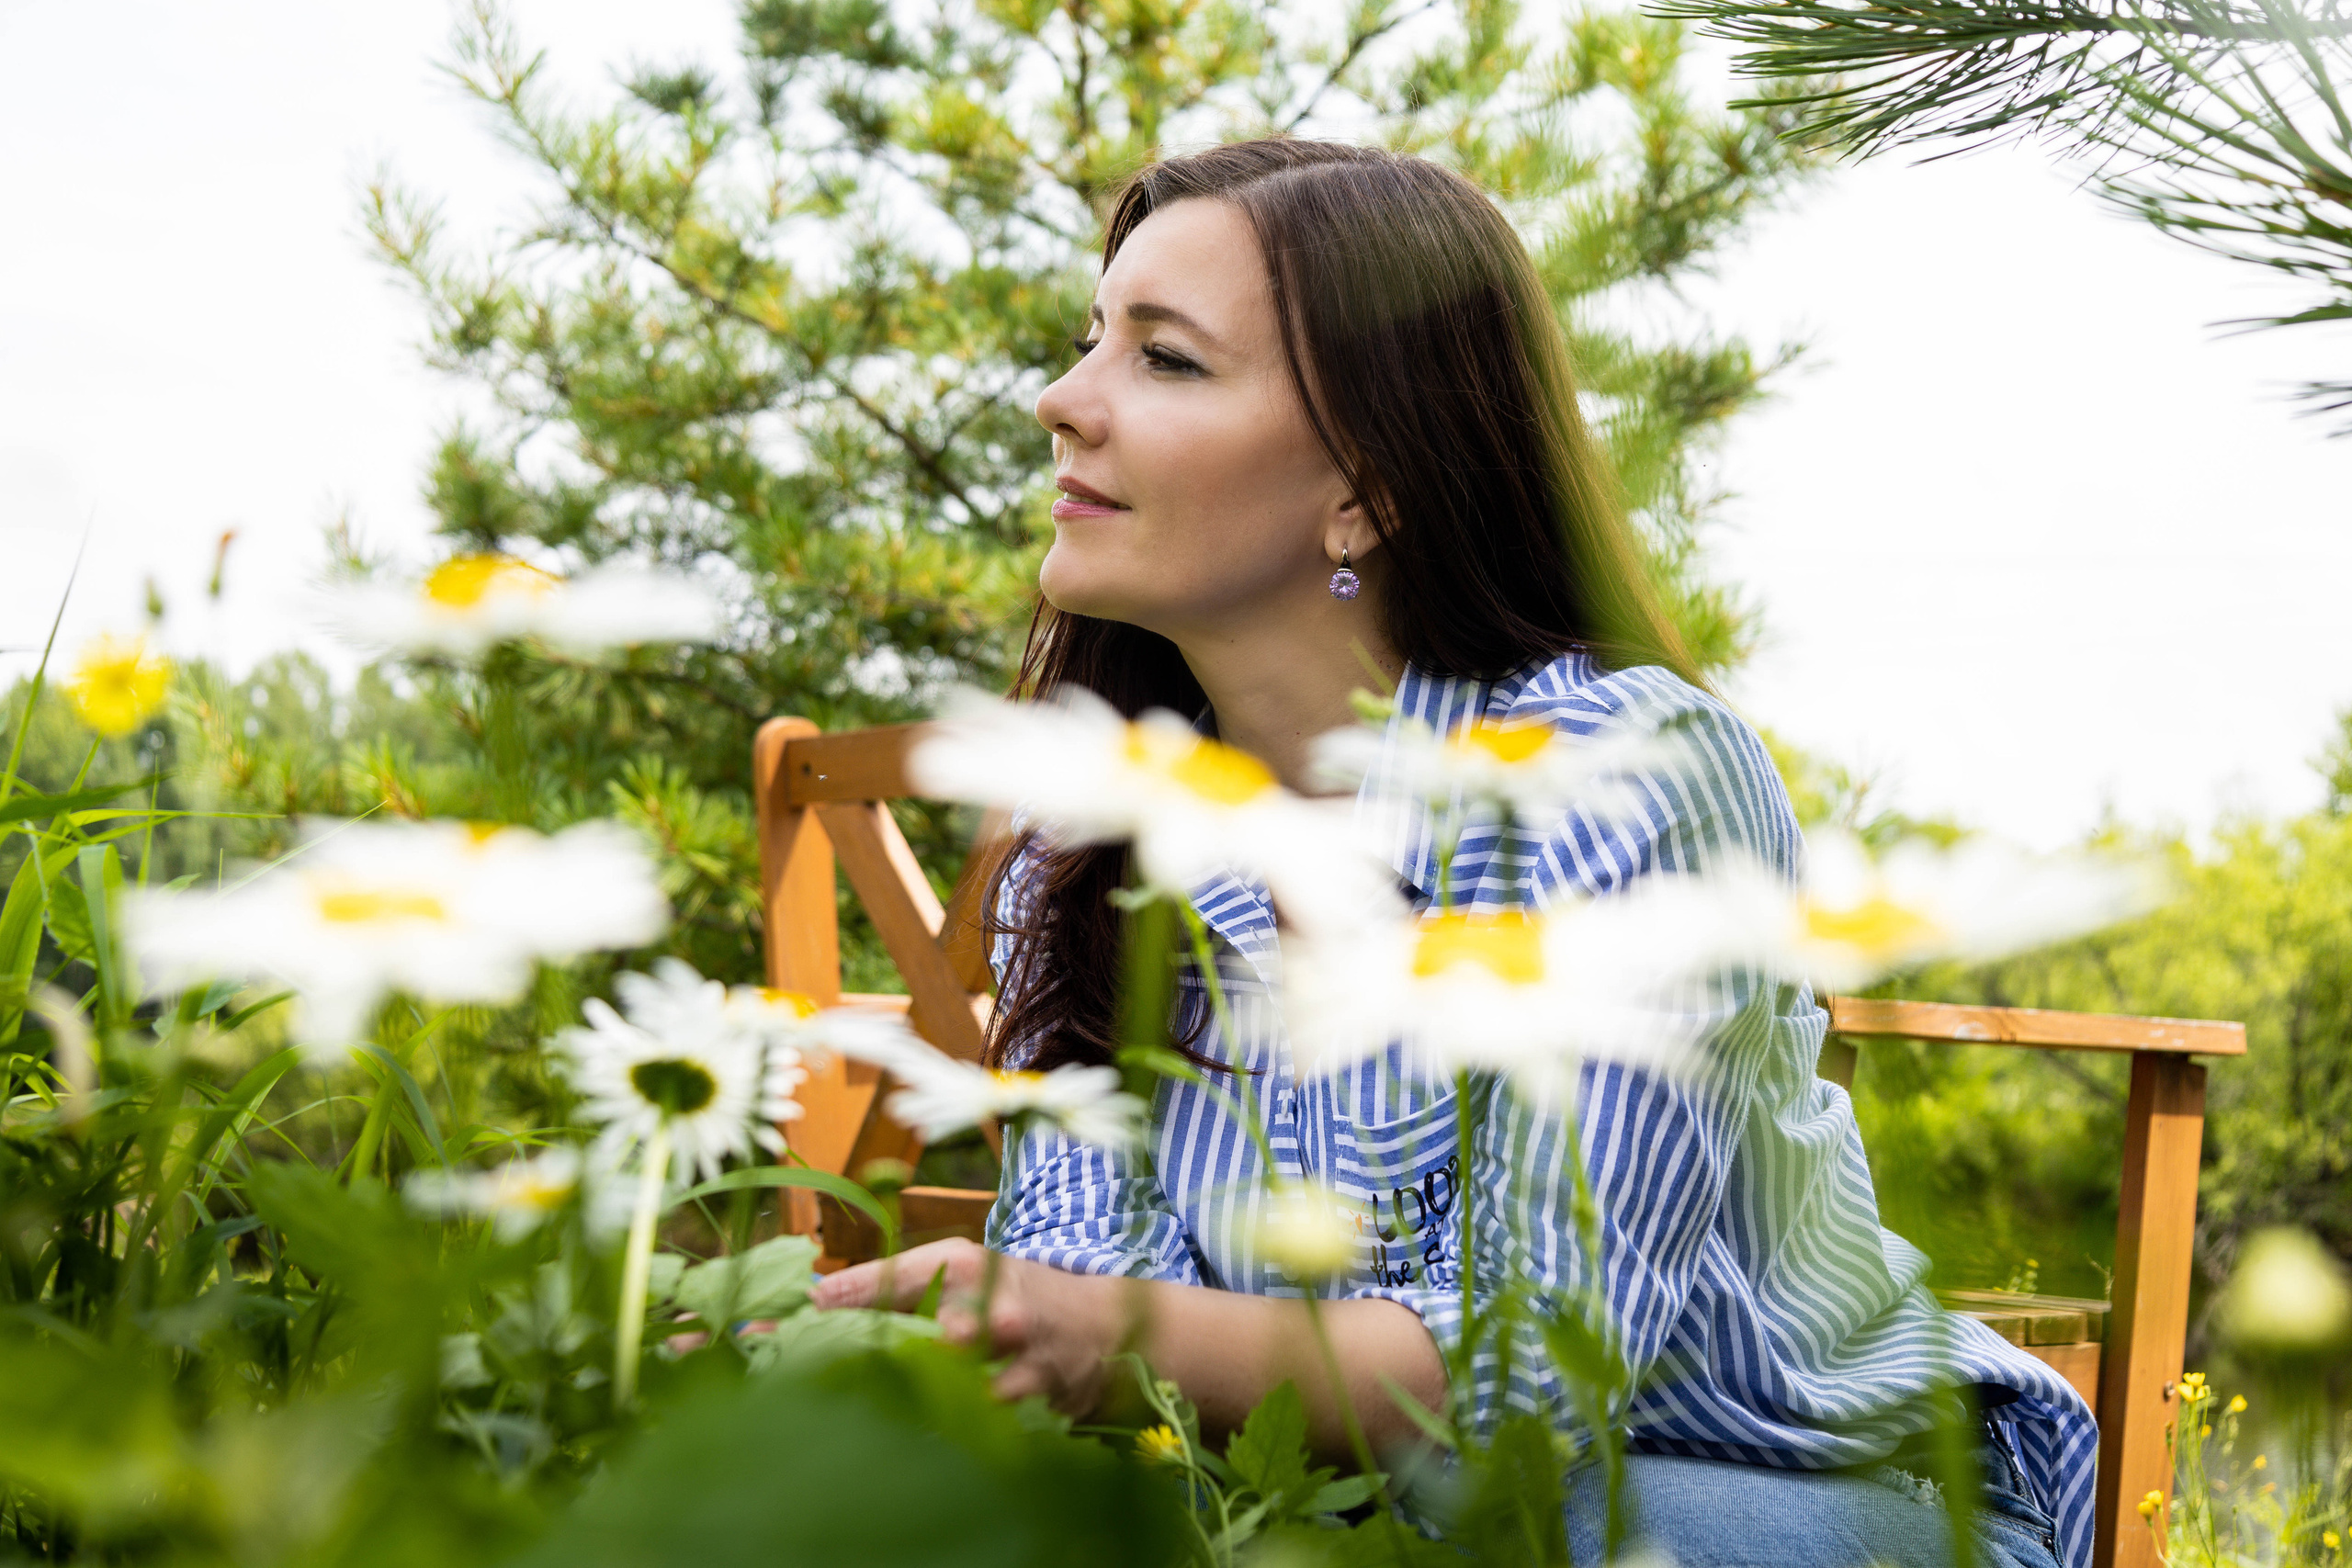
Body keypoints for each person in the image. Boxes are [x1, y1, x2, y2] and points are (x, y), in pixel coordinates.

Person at [810, 137, 2091, 1568]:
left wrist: (1086, 1333)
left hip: (1803, 1490)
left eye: (1164, 361)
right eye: (1088, 341)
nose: (1062, 402)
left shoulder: (1626, 780)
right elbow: (1107, 1321)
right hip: (1358, 1498)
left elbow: (1534, 1371)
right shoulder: (1086, 833)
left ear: (1365, 484)